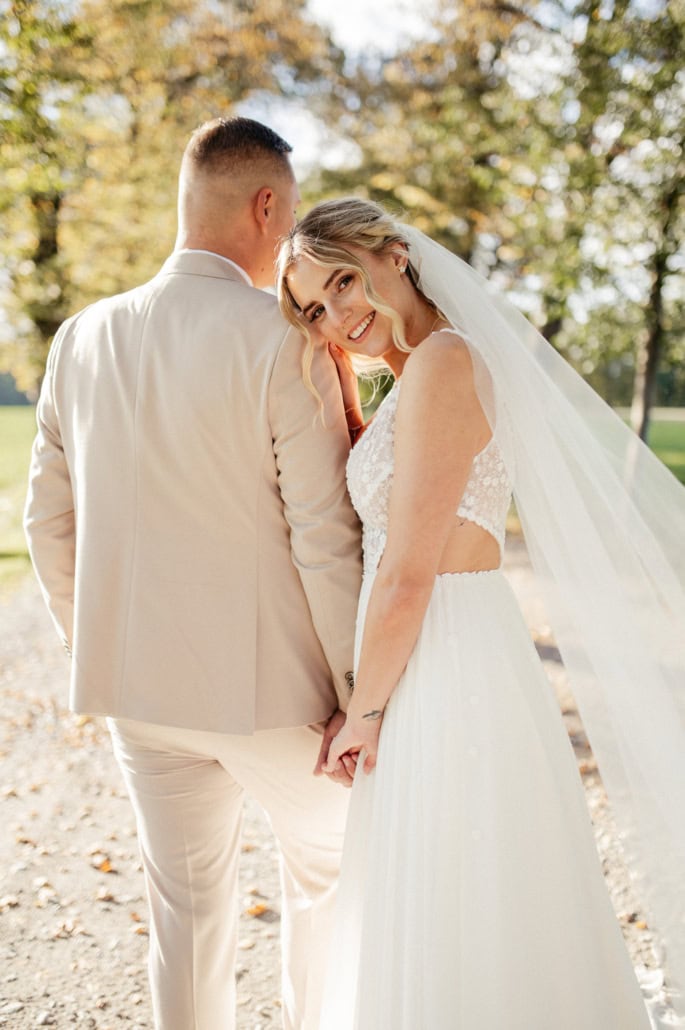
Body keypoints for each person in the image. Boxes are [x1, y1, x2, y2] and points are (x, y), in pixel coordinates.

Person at [276, 197, 685, 1028]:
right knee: (453, 873)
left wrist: (361, 714)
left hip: (444, 653)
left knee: (457, 866)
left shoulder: (444, 363)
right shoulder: (418, 371)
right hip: (439, 651)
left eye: (343, 282)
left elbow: (406, 576)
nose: (338, 316)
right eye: (315, 309)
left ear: (394, 254)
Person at [23, 118, 363, 1030]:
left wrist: (100, 640)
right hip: (282, 700)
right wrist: (358, 695)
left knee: (183, 913)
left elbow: (48, 526)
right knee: (329, 885)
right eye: (288, 218)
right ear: (265, 206)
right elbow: (324, 536)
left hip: (142, 694)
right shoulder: (283, 340)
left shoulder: (80, 338)